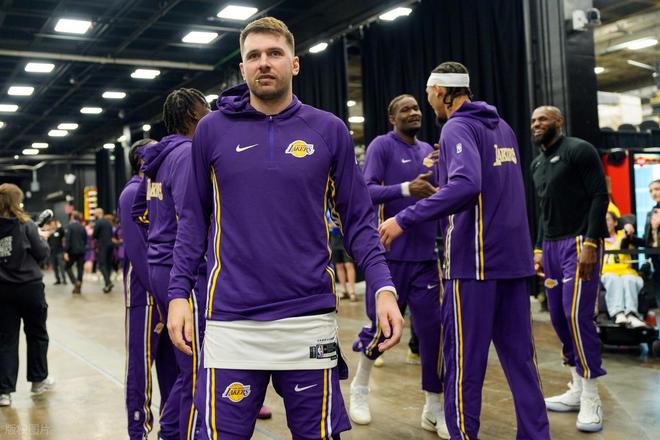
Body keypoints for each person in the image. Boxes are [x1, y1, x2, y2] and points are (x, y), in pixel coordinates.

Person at [167, 17, 403, 439]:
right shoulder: (211, 132)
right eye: (254, 55)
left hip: (308, 320)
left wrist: (383, 286)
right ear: (242, 68)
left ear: (294, 63)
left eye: (274, 53)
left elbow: (358, 219)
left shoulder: (328, 130)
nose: (264, 62)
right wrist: (178, 294)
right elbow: (192, 221)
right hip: (232, 320)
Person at [379, 62, 550, 440]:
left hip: (475, 265)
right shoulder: (502, 127)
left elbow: (467, 186)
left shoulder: (457, 126)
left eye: (428, 96)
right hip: (514, 263)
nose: (427, 103)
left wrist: (403, 218)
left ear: (440, 92)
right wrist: (442, 167)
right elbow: (491, 185)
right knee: (522, 362)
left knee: (463, 364)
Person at [350, 94, 447, 438]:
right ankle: (360, 387)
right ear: (393, 117)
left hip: (425, 257)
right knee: (381, 328)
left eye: (417, 107)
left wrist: (445, 166)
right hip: (388, 258)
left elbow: (440, 193)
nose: (414, 112)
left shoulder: (428, 151)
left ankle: (433, 406)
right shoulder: (381, 145)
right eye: (406, 109)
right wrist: (407, 188)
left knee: (433, 332)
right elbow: (365, 190)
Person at [530, 105, 608, 432]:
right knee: (559, 318)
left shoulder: (579, 150)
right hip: (550, 246)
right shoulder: (537, 164)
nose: (536, 124)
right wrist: (538, 249)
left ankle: (591, 395)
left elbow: (600, 195)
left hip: (579, 243)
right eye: (533, 121)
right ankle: (576, 385)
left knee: (577, 315)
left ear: (558, 121)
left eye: (543, 119)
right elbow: (543, 211)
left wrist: (591, 242)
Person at [119, 138, 178, 439]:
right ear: (142, 160)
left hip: (165, 289)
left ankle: (172, 426)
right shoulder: (132, 193)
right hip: (145, 291)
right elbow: (137, 248)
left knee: (173, 364)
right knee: (141, 365)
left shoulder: (158, 189)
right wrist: (161, 290)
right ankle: (138, 429)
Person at [0, 183, 55, 407]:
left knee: (6, 339)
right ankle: (38, 381)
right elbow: (41, 254)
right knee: (37, 334)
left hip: (3, 291)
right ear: (17, 201)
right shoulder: (27, 225)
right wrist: (43, 239)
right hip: (29, 288)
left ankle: (4, 392)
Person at [601, 211, 647, 328]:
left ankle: (631, 315)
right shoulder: (597, 240)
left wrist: (628, 229)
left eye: (608, 219)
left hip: (626, 271)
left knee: (629, 279)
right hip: (608, 273)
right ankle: (619, 313)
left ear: (616, 223)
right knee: (613, 279)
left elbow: (631, 219)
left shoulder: (623, 236)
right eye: (602, 220)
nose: (605, 223)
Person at [329, 211, 357, 301]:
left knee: (349, 264)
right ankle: (343, 290)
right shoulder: (327, 210)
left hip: (345, 236)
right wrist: (329, 225)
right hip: (334, 238)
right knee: (338, 265)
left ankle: (352, 291)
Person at [64, 210, 87, 294]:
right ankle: (79, 284)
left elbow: (68, 239)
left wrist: (66, 251)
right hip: (81, 250)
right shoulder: (82, 226)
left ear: (72, 217)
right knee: (80, 268)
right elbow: (85, 239)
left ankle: (75, 282)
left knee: (67, 267)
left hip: (72, 251)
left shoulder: (69, 226)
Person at [93, 207, 114, 292]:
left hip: (102, 245)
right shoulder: (108, 222)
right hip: (110, 244)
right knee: (108, 264)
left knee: (102, 265)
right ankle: (107, 285)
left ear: (98, 213)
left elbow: (94, 234)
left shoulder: (98, 222)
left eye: (95, 213)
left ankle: (108, 282)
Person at [47, 219, 67, 285]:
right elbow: (48, 241)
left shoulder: (59, 230)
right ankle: (58, 280)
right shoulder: (50, 232)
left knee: (61, 266)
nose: (52, 225)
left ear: (55, 224)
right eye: (51, 224)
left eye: (53, 224)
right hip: (52, 252)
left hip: (59, 252)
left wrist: (60, 226)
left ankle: (64, 279)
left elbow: (63, 233)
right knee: (55, 267)